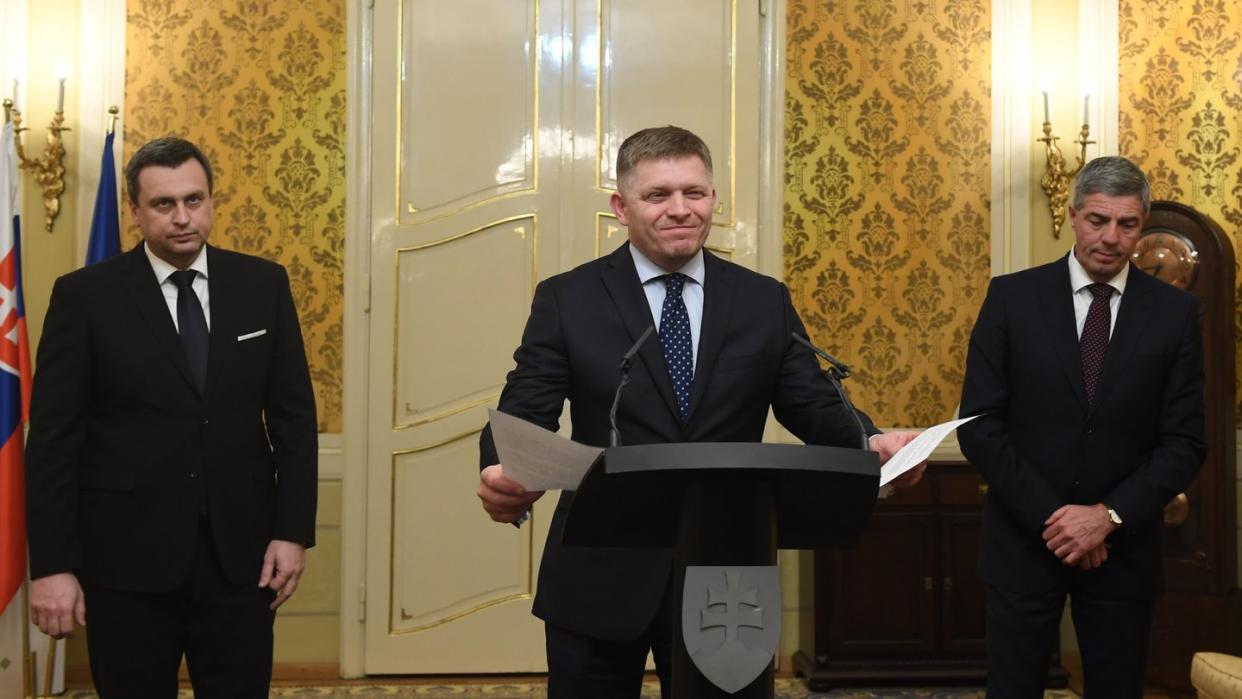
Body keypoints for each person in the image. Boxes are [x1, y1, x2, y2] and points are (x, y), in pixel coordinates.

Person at [477, 125, 924, 698]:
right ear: (621, 207)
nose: (680, 210)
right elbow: (526, 402)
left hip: (728, 567)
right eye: (658, 195)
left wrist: (871, 444)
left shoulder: (761, 299)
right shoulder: (569, 298)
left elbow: (811, 402)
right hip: (600, 561)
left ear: (714, 198)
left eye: (694, 192)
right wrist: (502, 466)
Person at [24, 137, 319, 698]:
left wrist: (292, 531)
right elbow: (54, 444)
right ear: (134, 211)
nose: (183, 218)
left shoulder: (263, 285)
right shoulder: (85, 298)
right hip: (124, 567)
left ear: (211, 201)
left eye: (194, 199)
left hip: (242, 561)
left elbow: (294, 421)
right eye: (163, 205)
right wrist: (53, 565)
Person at [958, 155, 1206, 697]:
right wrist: (1060, 520)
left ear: (1142, 224)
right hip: (1024, 544)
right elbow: (979, 426)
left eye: (1127, 223)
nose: (1111, 237)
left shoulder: (1174, 314)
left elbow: (1185, 442)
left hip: (1124, 550)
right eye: (1098, 220)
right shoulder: (1012, 298)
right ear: (1072, 215)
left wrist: (1107, 516)